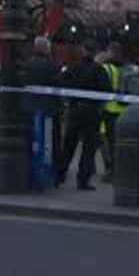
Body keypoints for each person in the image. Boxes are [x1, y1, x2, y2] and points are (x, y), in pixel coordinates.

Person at [55, 42, 107, 190]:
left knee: (68, 145)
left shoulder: (73, 68)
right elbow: (107, 90)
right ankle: (82, 180)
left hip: (74, 111)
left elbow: (61, 83)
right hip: (92, 112)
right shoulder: (99, 69)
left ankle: (60, 175)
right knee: (88, 148)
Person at [24, 36, 63, 191]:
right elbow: (58, 84)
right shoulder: (52, 65)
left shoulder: (28, 64)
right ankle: (46, 179)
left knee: (33, 145)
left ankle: (32, 178)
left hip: (29, 108)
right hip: (48, 110)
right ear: (46, 49)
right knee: (49, 145)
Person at [98, 42, 131, 182]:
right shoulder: (127, 68)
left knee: (107, 142)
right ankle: (120, 170)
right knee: (118, 143)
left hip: (109, 109)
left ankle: (111, 171)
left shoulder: (107, 68)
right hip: (123, 110)